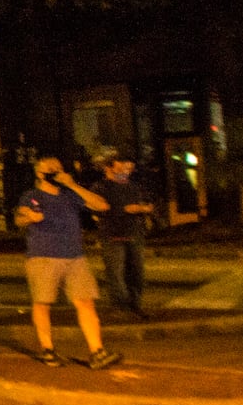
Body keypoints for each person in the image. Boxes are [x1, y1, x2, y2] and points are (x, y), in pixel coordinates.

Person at [15, 156, 121, 369]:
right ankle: (48, 350)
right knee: (43, 303)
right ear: (39, 173)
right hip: (43, 257)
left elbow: (101, 205)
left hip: (74, 257)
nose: (55, 171)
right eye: (50, 168)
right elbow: (20, 217)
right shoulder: (32, 196)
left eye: (58, 167)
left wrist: (72, 184)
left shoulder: (70, 195)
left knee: (85, 302)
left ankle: (97, 351)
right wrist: (29, 218)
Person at [92, 151, 154, 319]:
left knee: (137, 272)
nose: (126, 172)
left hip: (134, 234)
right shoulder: (101, 187)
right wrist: (127, 209)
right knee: (116, 273)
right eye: (121, 168)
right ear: (109, 168)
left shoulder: (134, 186)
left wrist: (142, 209)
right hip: (112, 235)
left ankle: (135, 305)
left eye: (128, 169)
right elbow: (100, 208)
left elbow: (147, 205)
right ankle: (121, 307)